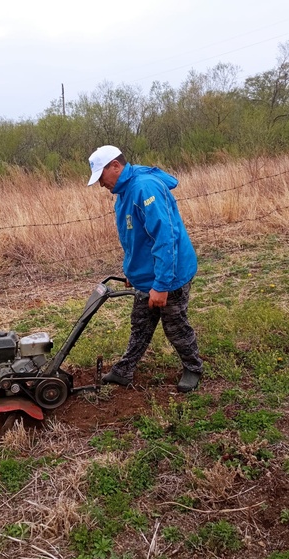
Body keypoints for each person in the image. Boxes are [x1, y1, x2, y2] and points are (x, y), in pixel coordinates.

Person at [87, 145, 203, 393]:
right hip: (148, 274)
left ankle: (193, 367)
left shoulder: (143, 188)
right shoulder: (125, 191)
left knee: (175, 325)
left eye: (101, 177)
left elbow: (165, 238)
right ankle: (124, 371)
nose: (100, 185)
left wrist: (161, 286)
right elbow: (136, 238)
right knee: (140, 322)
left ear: (115, 166)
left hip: (169, 274)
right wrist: (133, 272)